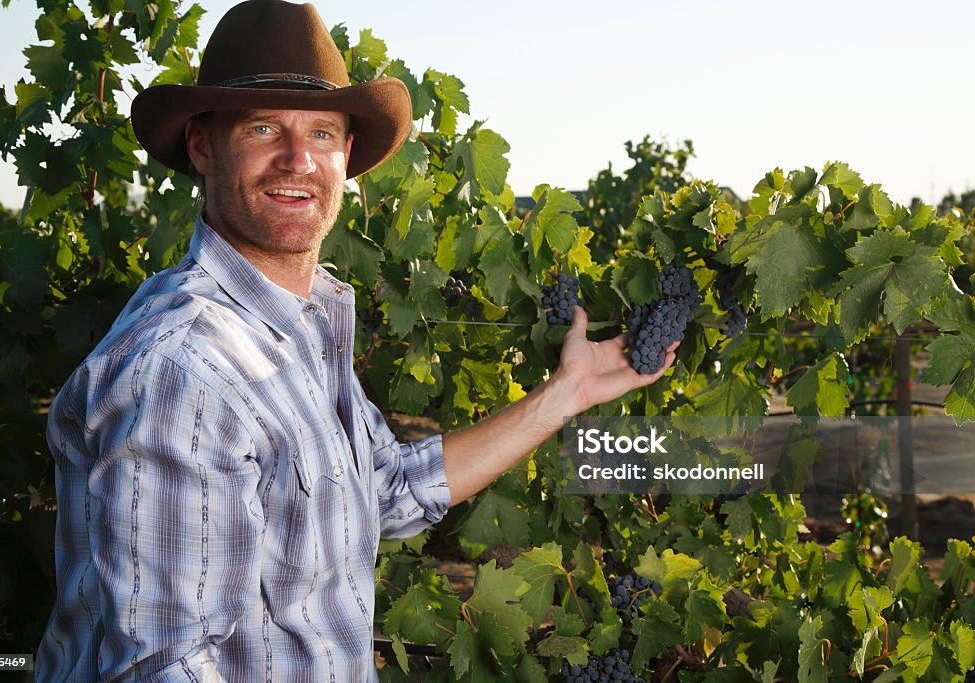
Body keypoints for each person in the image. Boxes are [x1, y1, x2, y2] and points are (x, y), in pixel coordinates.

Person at [35, 1, 677, 681]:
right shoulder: (183, 368)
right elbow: (161, 667)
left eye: (321, 132)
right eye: (263, 128)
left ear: (346, 156)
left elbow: (390, 490)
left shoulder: (303, 321)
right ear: (202, 146)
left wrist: (566, 392)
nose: (296, 159)